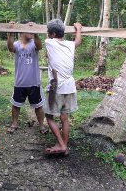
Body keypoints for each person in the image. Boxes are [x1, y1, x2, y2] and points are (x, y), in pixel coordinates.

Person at [43, 19, 81, 156]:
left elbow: (47, 48)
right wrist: (79, 29)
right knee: (64, 117)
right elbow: (78, 41)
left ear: (52, 34)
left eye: (48, 32)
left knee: (49, 116)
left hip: (57, 87)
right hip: (70, 86)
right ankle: (64, 146)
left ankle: (61, 145)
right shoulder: (70, 44)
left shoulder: (49, 42)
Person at [6, 21, 46, 134]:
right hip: (20, 82)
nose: (30, 31)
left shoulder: (34, 43)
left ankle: (42, 126)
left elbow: (39, 46)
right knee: (16, 105)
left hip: (34, 82)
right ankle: (14, 123)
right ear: (22, 30)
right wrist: (11, 32)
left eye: (31, 29)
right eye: (28, 28)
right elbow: (10, 47)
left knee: (38, 106)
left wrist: (36, 32)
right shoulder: (17, 44)